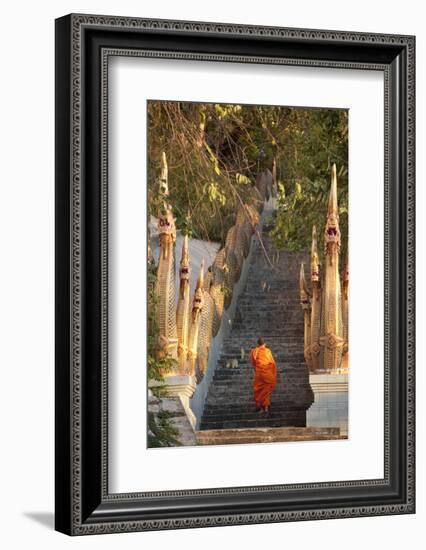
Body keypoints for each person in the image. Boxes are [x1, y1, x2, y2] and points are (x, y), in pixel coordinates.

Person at [250, 337, 277, 413]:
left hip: (259, 374)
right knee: (266, 390)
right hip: (268, 374)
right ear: (265, 344)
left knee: (259, 390)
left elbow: (254, 363)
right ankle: (266, 408)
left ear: (258, 344)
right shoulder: (268, 351)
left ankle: (261, 408)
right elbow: (272, 363)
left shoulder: (254, 351)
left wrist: (257, 370)